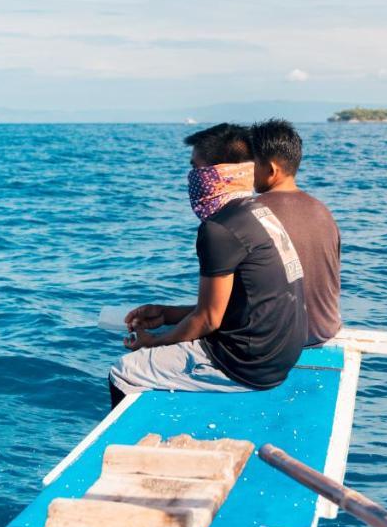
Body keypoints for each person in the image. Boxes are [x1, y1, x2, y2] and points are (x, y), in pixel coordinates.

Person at [108, 122, 307, 407]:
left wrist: (152, 342)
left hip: (247, 367)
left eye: (195, 168)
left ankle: (138, 446)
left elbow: (208, 320)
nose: (191, 177)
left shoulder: (219, 229)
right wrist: (167, 315)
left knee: (124, 371)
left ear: (215, 173)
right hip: (279, 358)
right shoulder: (258, 212)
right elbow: (234, 307)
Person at [250, 119, 342, 346]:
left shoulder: (249, 213)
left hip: (276, 339)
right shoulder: (323, 211)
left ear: (271, 170)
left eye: (249, 164)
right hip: (323, 331)